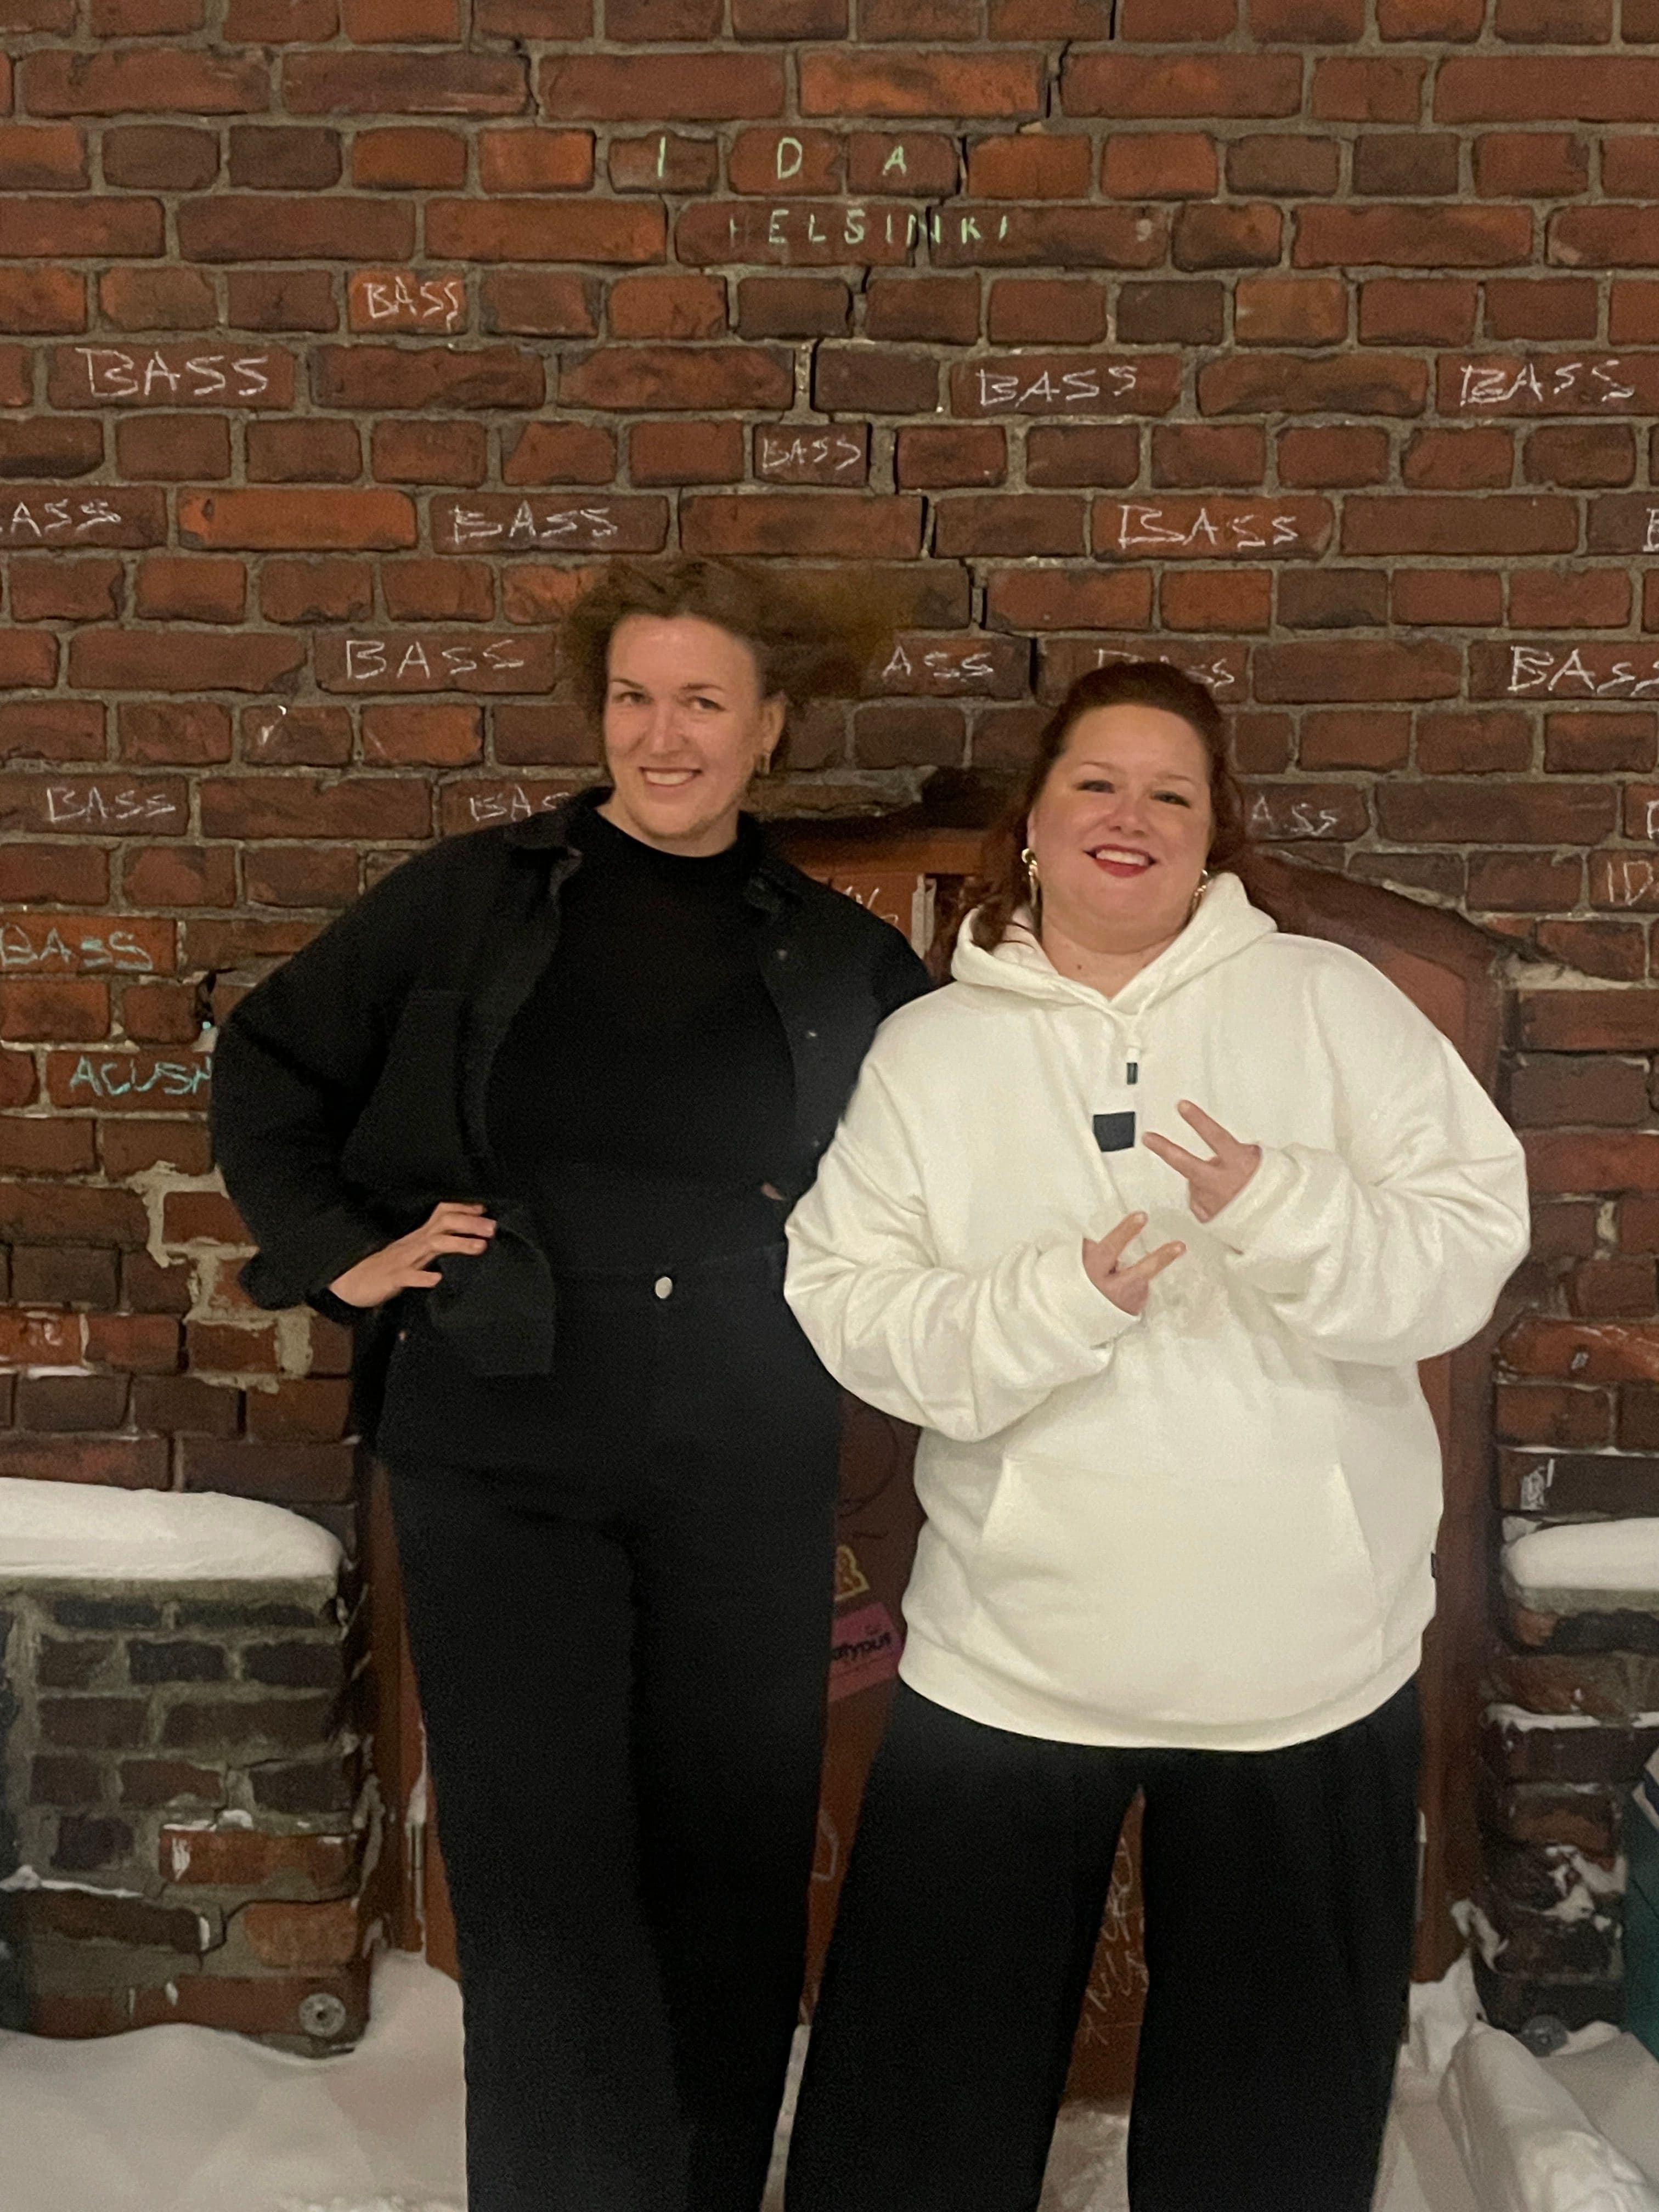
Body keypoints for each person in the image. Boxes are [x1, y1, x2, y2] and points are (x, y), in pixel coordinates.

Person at [209, 558, 931, 2212]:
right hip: (501, 1431)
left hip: (746, 1439)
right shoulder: (472, 899)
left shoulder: (840, 956)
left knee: (733, 1850)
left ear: (772, 728)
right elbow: (271, 1059)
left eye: (702, 702)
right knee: (543, 1874)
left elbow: (952, 1150)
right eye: (632, 697)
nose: (662, 737)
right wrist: (344, 1252)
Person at [781, 661, 1530, 2212]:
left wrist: (1285, 1208)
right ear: (1034, 823)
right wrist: (1056, 1300)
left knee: (1272, 2131)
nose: (1131, 817)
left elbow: (1464, 1252)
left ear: (1213, 835)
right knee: (920, 2112)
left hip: (1303, 1666)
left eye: (1171, 793)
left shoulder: (1330, 1006)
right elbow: (851, 1307)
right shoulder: (933, 1053)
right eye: (1097, 784)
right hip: (1011, 1656)